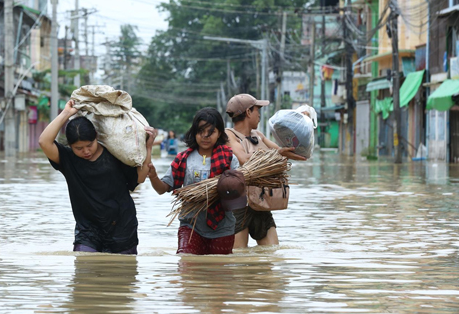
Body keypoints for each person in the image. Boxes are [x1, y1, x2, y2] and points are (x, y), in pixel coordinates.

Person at [39, 100, 157, 254]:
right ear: (70, 146)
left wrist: (148, 147)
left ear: (96, 137)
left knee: (123, 276)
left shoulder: (116, 154)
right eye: (79, 148)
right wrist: (66, 113)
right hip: (88, 230)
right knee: (84, 272)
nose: (86, 151)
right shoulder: (68, 159)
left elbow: (140, 178)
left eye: (90, 145)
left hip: (122, 228)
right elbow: (44, 142)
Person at [148, 108, 239, 255]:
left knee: (220, 275)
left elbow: (237, 193)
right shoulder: (183, 159)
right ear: (194, 132)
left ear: (220, 133)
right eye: (201, 131)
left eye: (211, 132)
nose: (205, 136)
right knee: (186, 264)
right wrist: (153, 176)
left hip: (222, 227)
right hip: (190, 225)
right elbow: (162, 188)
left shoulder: (229, 158)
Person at [224, 94, 306, 249]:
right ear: (248, 112)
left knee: (272, 253)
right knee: (238, 261)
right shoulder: (229, 135)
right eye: (257, 110)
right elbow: (243, 159)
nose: (259, 114)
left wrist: (300, 142)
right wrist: (277, 154)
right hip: (237, 206)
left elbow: (283, 153)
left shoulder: (258, 136)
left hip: (260, 202)